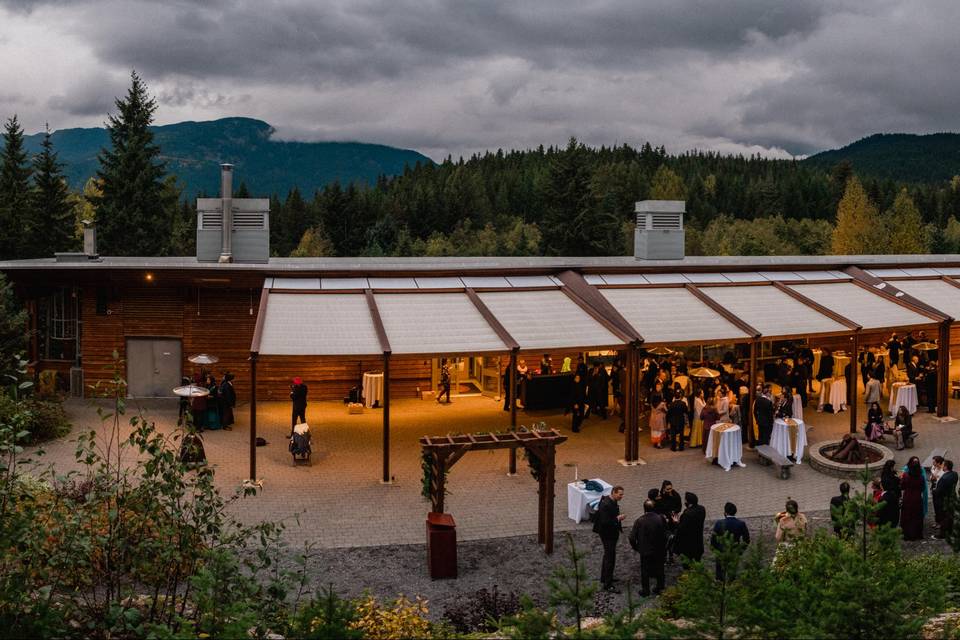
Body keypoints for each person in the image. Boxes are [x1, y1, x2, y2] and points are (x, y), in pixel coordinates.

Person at [628, 500, 668, 597]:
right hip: (659, 549)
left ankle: (646, 590)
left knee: (645, 570)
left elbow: (632, 537)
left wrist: (636, 547)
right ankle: (660, 587)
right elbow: (665, 533)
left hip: (645, 550)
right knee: (660, 568)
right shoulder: (660, 518)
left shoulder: (639, 521)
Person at [593, 485, 626, 592]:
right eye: (620, 494)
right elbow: (605, 521)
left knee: (608, 556)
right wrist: (617, 518)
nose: (622, 496)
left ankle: (606, 577)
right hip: (608, 534)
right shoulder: (606, 504)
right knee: (610, 558)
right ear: (614, 493)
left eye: (622, 494)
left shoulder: (610, 501)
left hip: (610, 533)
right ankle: (607, 584)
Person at [711, 502, 750, 582]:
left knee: (719, 574)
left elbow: (713, 539)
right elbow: (746, 540)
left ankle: (720, 587)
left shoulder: (719, 523)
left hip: (721, 552)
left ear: (725, 512)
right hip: (734, 551)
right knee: (732, 574)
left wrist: (716, 550)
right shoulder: (741, 524)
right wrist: (740, 551)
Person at [675, 492, 706, 566]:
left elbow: (681, 529)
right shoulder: (701, 509)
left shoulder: (687, 514)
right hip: (698, 543)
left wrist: (676, 522)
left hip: (688, 546)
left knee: (687, 566)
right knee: (697, 564)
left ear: (688, 502)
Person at [900, 457, 926, 540]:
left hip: (907, 497)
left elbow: (902, 486)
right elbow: (922, 488)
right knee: (917, 516)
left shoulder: (906, 476)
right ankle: (917, 534)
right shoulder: (921, 477)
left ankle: (907, 534)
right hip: (917, 498)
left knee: (907, 516)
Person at [934, 459, 958, 539]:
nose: (941, 466)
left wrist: (934, 491)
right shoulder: (955, 474)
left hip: (944, 500)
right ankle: (950, 531)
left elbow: (938, 491)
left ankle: (942, 534)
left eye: (943, 465)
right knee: (950, 516)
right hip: (952, 498)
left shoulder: (944, 478)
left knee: (944, 517)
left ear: (946, 467)